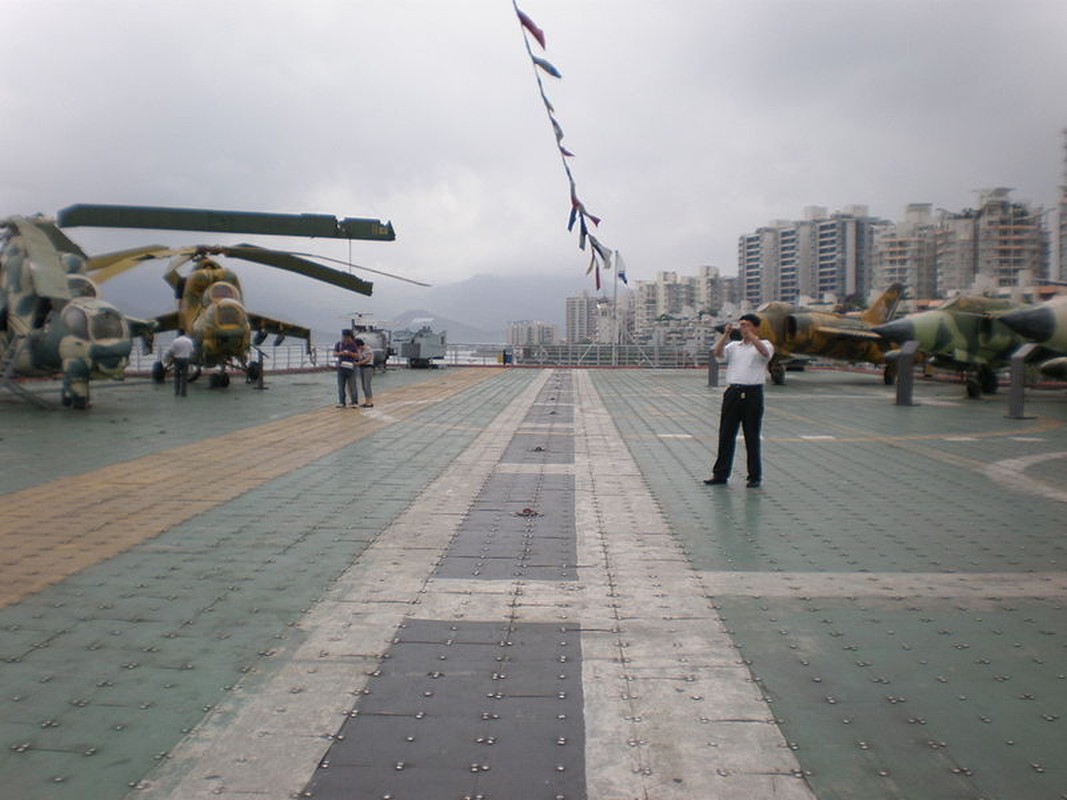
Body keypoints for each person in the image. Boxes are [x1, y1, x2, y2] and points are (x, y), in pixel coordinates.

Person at [705, 313, 774, 488]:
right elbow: (718, 354)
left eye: (748, 325)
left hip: (753, 394)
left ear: (756, 328)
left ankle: (754, 476)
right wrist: (725, 335)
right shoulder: (734, 346)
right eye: (741, 325)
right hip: (733, 392)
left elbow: (765, 354)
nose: (743, 328)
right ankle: (720, 474)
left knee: (751, 436)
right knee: (726, 434)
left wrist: (751, 336)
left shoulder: (764, 344)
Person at [333, 330, 360, 407]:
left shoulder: (353, 345)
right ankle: (342, 402)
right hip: (341, 368)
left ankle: (355, 402)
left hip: (351, 367)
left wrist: (349, 353)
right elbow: (334, 354)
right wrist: (341, 353)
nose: (344, 338)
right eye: (343, 336)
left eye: (346, 337)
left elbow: (357, 356)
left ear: (349, 337)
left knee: (352, 386)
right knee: (341, 386)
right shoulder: (339, 344)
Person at [166, 329, 195, 397]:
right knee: (184, 377)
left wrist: (169, 361)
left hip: (177, 360)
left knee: (177, 376)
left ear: (178, 333)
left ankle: (177, 391)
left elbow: (171, 351)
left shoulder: (175, 341)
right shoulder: (189, 341)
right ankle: (184, 392)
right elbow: (192, 350)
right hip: (186, 360)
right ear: (184, 333)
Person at [355, 337, 374, 407]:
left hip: (368, 367)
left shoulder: (368, 349)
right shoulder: (359, 350)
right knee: (363, 386)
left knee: (367, 385)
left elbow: (368, 359)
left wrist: (359, 363)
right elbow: (358, 358)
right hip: (362, 368)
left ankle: (370, 402)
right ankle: (367, 401)